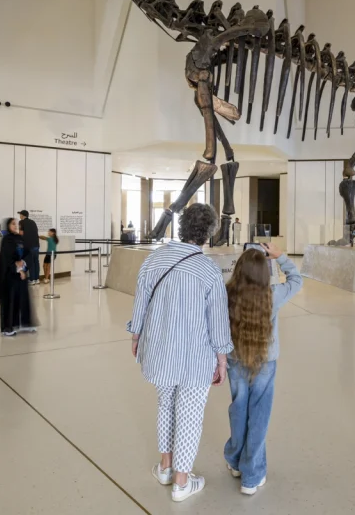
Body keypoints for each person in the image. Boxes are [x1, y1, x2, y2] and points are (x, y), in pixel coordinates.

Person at [128, 203, 232, 503]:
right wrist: (222, 358)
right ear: (210, 232)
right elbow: (218, 322)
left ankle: (165, 467)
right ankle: (182, 482)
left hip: (160, 350)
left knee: (165, 404)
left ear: (182, 226)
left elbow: (141, 301)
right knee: (189, 414)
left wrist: (136, 335)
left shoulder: (154, 259)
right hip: (196, 356)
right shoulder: (208, 270)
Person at [223, 243, 303, 495]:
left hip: (235, 358)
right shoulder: (274, 294)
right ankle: (252, 474)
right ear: (263, 272)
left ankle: (235, 461)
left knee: (238, 409)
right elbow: (297, 279)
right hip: (265, 360)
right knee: (259, 415)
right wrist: (280, 257)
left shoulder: (227, 294)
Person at [0, 217, 37, 336]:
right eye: (13, 224)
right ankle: (7, 327)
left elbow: (27, 254)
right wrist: (18, 269)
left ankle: (24, 324)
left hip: (20, 275)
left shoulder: (20, 239)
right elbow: (6, 258)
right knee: (9, 301)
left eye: (17, 224)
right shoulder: (7, 240)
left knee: (23, 298)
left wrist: (24, 267)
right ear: (8, 226)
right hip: (9, 276)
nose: (15, 226)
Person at [17, 210, 41, 284]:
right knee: (36, 261)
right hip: (36, 245)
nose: (19, 216)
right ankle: (37, 279)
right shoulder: (33, 222)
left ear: (23, 215)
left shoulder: (21, 222)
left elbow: (21, 233)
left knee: (30, 262)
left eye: (20, 214)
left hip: (28, 245)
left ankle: (32, 279)